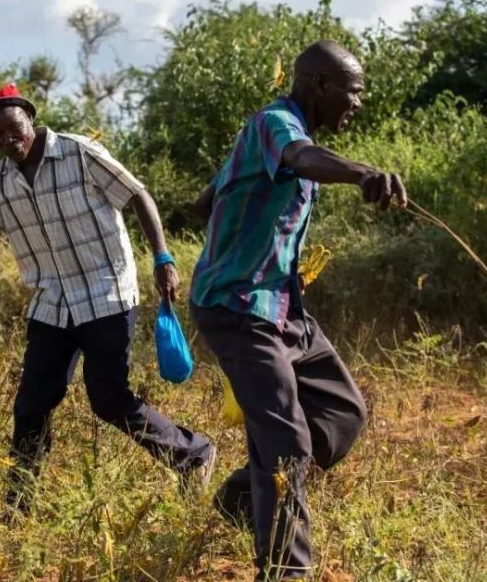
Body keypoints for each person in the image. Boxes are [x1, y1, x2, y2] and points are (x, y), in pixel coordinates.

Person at [0, 83, 215, 513]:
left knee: (109, 398)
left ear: (30, 120)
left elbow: (137, 195)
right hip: (52, 304)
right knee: (32, 403)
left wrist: (163, 257)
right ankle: (18, 507)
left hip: (106, 293)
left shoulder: (79, 153)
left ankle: (192, 454)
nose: (7, 140)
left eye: (13, 129)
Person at [190, 41, 407, 580]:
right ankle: (287, 569)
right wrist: (361, 174)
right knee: (285, 442)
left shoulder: (271, 135)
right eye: (353, 93)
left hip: (284, 308)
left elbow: (212, 192)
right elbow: (300, 157)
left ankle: (242, 498)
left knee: (342, 413)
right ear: (319, 85)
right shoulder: (276, 124)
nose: (357, 103)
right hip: (238, 307)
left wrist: (221, 193)